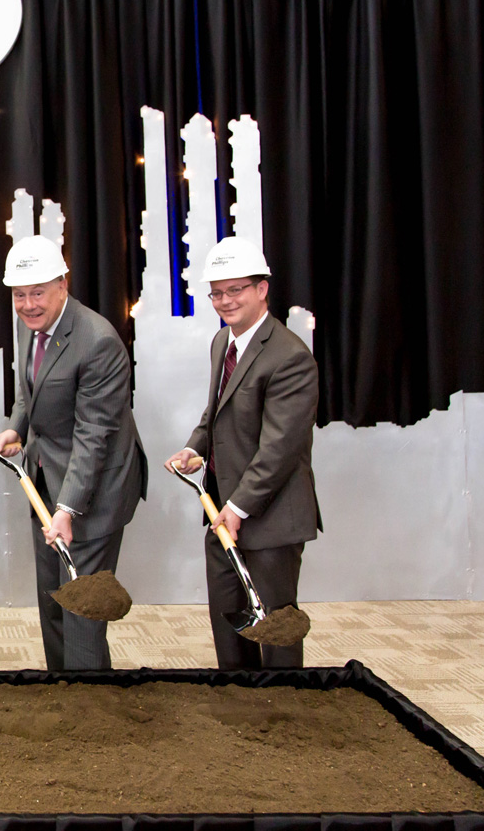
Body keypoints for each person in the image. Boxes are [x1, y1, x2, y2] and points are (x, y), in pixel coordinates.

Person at [0, 235, 147, 671]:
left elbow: (93, 434)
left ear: (63, 283)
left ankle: (91, 714)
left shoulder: (98, 341)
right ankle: (64, 691)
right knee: (53, 600)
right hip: (46, 481)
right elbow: (30, 391)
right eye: (19, 295)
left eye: (37, 292)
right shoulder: (30, 325)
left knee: (81, 610)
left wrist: (68, 509)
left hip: (92, 493)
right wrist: (14, 429)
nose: (27, 304)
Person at [164, 236, 321, 670]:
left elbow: (280, 449)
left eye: (236, 289)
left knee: (275, 626)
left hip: (269, 517)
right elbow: (217, 411)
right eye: (217, 292)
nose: (225, 300)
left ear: (262, 289)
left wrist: (237, 507)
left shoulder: (290, 356)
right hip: (222, 511)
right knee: (228, 620)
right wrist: (194, 448)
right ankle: (239, 705)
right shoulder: (223, 343)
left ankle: (285, 712)